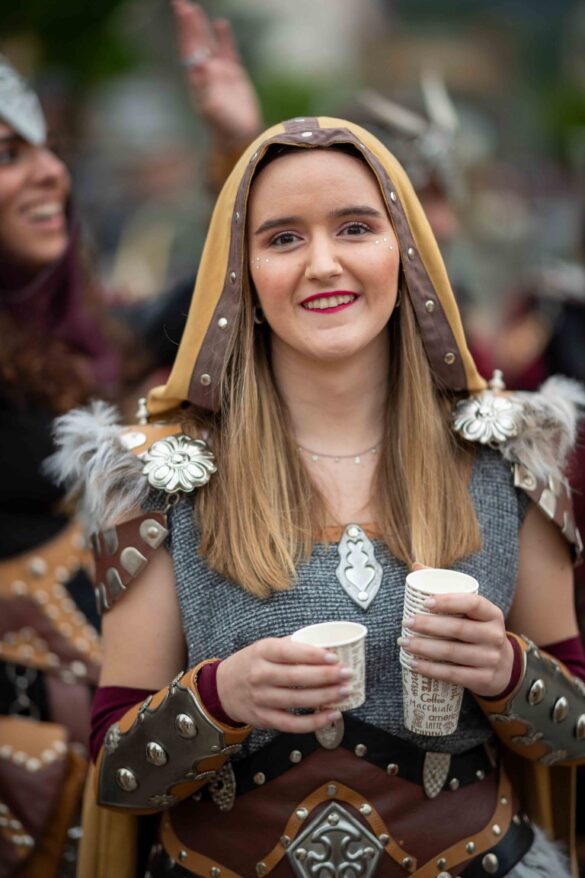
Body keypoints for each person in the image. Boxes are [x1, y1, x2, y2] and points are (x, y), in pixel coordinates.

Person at [49, 116, 585, 878]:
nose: (323, 264)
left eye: (355, 228)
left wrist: (504, 672)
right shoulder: (155, 474)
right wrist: (220, 699)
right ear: (241, 275)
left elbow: (574, 739)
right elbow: (118, 776)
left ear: (405, 253)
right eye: (282, 238)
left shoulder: (511, 453)